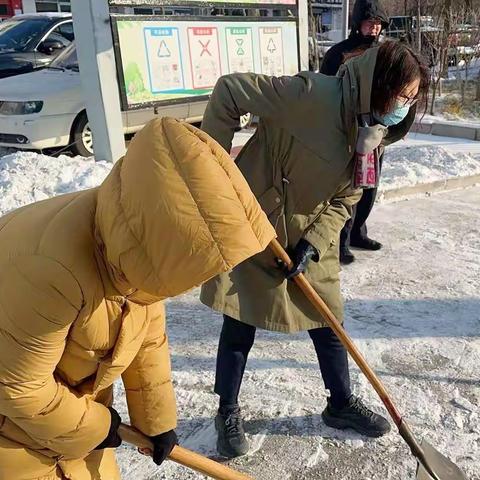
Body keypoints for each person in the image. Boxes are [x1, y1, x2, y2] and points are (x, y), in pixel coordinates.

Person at [0, 118, 275, 480]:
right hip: (13, 432)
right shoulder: (53, 270)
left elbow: (144, 334)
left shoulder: (130, 244)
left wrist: (155, 423)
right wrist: (98, 427)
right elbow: (19, 389)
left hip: (64, 418)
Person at [200, 41, 430, 458]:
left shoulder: (372, 133)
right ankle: (227, 410)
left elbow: (348, 198)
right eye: (403, 95)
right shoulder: (308, 95)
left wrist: (313, 243)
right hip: (256, 225)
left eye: (411, 99)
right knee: (239, 321)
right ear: (379, 84)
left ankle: (339, 404)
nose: (404, 106)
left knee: (329, 322)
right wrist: (213, 171)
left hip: (308, 234)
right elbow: (229, 91)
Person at [321, 0, 390, 264]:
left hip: (375, 129)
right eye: (369, 22)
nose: (373, 28)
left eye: (377, 24)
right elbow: (325, 89)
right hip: (347, 129)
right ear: (357, 23)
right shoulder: (338, 53)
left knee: (370, 186)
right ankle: (341, 240)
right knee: (349, 187)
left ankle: (359, 232)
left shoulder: (385, 53)